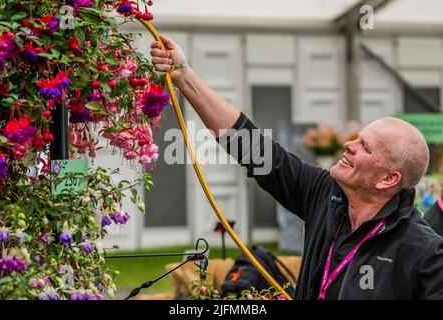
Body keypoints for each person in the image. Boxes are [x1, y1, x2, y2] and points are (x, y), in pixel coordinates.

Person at [149, 35, 443, 299]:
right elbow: (256, 150)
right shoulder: (327, 195)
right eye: (357, 138)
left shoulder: (426, 253)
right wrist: (184, 76)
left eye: (365, 147)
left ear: (388, 179)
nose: (349, 145)